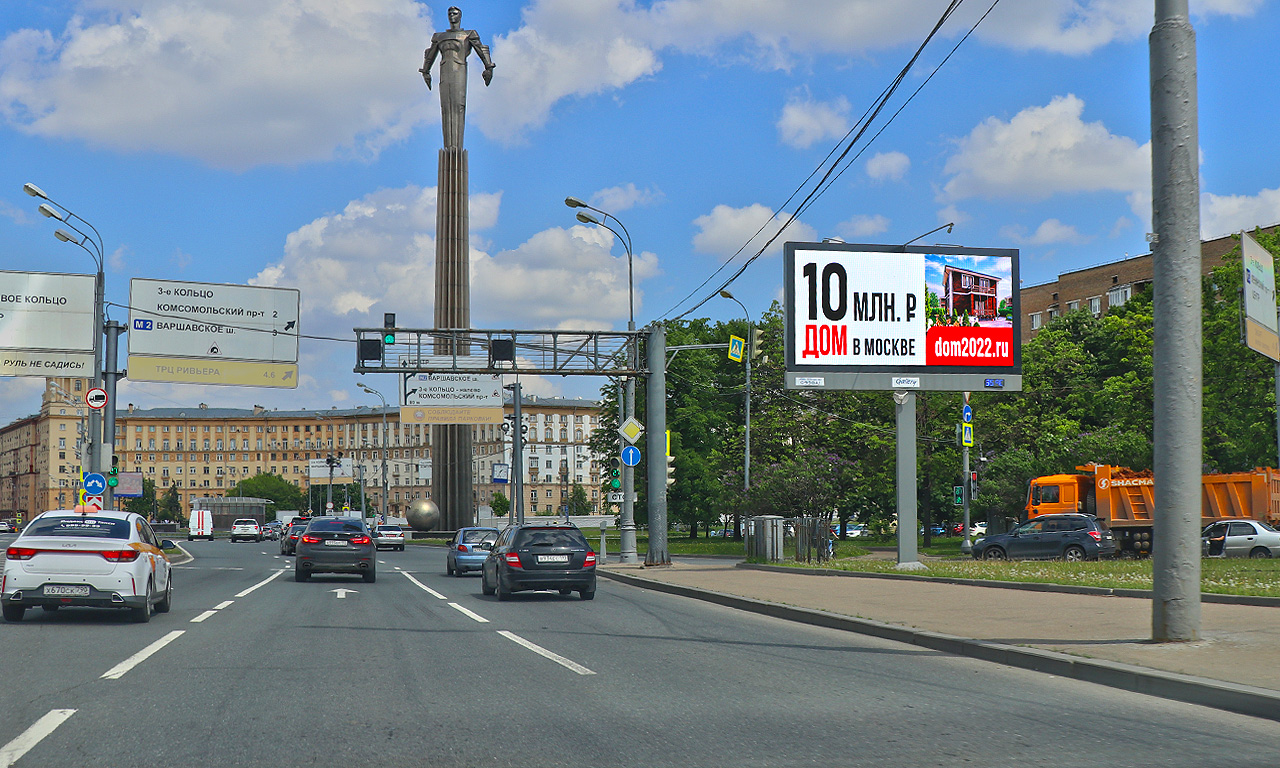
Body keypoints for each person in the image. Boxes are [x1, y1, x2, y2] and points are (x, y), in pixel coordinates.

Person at [420, 6, 495, 149]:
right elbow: (430, 55)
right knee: (446, 107)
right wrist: (425, 71)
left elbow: (481, 49)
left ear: (460, 16)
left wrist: (488, 67)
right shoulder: (439, 37)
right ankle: (449, 146)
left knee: (458, 105)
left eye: (454, 13)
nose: (451, 16)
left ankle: (456, 147)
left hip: (459, 70)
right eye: (449, 13)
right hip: (444, 71)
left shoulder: (468, 34)